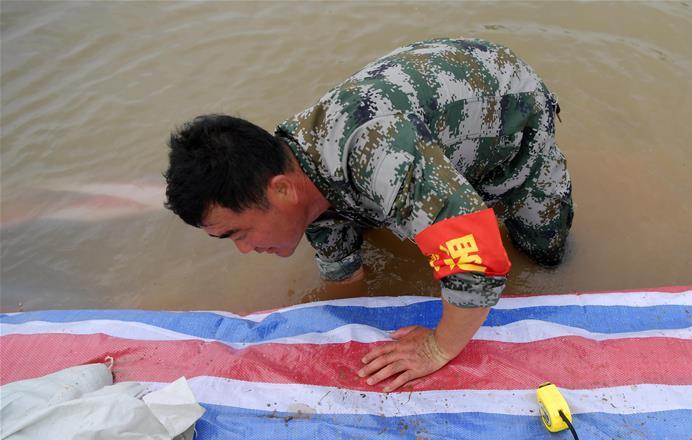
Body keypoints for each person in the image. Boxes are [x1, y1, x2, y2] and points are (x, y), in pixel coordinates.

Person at [164, 38, 573, 392]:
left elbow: (479, 260)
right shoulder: (297, 176)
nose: (244, 249)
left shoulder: (378, 156)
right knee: (406, 219)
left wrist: (438, 346)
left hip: (508, 105)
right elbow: (343, 272)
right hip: (422, 119)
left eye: (239, 233)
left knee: (545, 254)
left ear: (281, 189)